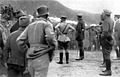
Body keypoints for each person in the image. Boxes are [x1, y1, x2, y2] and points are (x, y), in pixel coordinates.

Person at [16, 5, 57, 77]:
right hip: (42, 55)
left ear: (38, 15)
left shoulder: (30, 25)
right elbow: (50, 37)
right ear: (47, 15)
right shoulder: (47, 24)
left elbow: (19, 41)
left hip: (30, 56)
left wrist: (27, 50)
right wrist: (52, 46)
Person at [99, 9, 114, 76]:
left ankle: (108, 70)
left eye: (103, 13)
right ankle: (107, 69)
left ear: (105, 14)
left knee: (106, 55)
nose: (102, 14)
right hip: (110, 39)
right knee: (107, 55)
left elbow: (105, 33)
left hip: (106, 40)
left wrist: (101, 37)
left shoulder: (105, 21)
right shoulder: (111, 20)